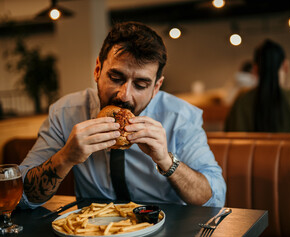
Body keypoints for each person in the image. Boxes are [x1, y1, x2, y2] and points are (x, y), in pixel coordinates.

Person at [19, 22, 226, 209]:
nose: (124, 95)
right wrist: (65, 157)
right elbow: (21, 196)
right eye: (116, 77)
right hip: (91, 228)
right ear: (98, 70)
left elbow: (215, 198)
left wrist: (165, 160)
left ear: (156, 87)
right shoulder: (65, 112)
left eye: (141, 85)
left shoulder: (180, 117)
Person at [225, 39, 290, 143]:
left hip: (247, 161)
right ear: (286, 66)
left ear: (255, 69)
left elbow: (227, 135)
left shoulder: (241, 101)